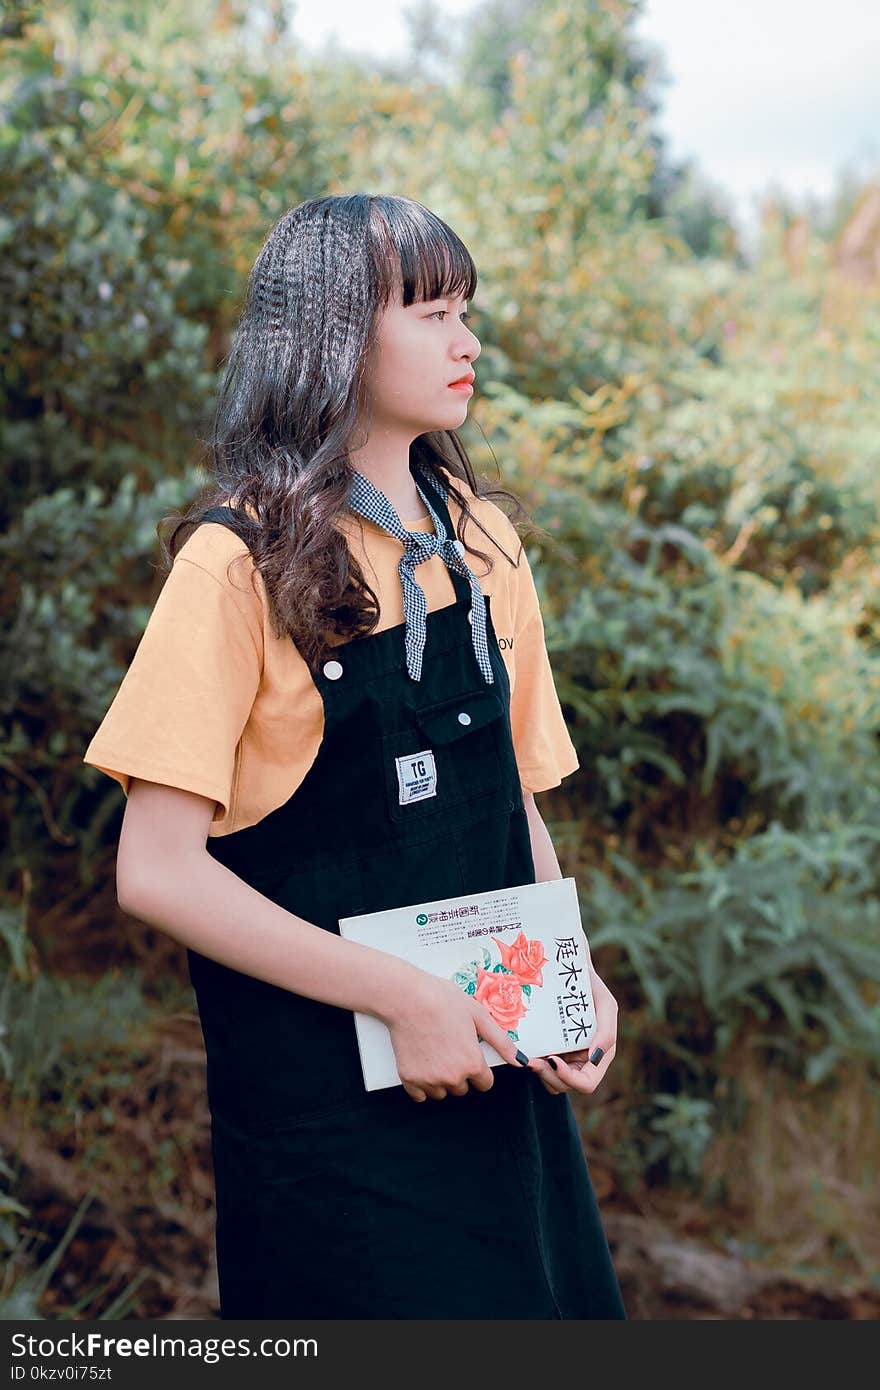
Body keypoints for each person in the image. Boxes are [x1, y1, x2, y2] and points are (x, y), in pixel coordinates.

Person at [82, 193, 626, 1320]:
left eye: (465, 309)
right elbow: (158, 868)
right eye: (429, 311)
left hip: (496, 1074)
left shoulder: (481, 537)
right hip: (328, 1131)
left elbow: (509, 797)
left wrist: (568, 978)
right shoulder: (238, 564)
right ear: (330, 334)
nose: (466, 341)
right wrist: (397, 997)